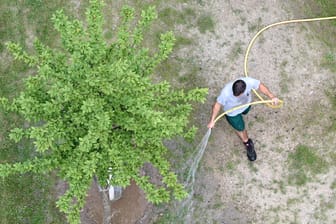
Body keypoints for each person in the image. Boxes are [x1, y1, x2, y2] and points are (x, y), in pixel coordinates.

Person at [207, 77, 279, 161]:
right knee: (240, 128)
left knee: (245, 112)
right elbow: (217, 105)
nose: (235, 96)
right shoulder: (225, 93)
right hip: (232, 112)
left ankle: (243, 114)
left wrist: (272, 96)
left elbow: (260, 85)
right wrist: (212, 120)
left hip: (246, 105)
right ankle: (247, 142)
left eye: (238, 95)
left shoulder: (249, 82)